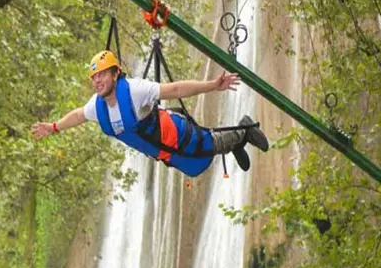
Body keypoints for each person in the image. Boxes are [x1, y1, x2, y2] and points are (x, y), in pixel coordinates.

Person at [31, 50, 269, 176]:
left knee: (206, 146)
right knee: (196, 165)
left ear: (115, 74)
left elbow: (174, 89)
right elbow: (78, 115)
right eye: (94, 77)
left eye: (102, 74)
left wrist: (212, 85)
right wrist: (53, 127)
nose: (97, 81)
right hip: (162, 150)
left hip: (174, 132)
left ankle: (244, 130)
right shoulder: (97, 106)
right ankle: (236, 143)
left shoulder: (135, 90)